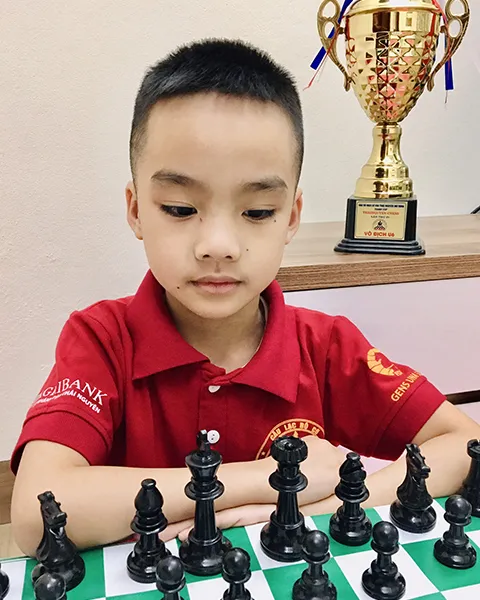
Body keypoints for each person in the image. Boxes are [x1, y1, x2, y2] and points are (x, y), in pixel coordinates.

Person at [10, 38, 480, 557]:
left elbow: (465, 444)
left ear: (292, 217)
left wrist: (341, 501)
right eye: (180, 208)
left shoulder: (324, 346)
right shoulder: (102, 339)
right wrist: (271, 478)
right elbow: (35, 514)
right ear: (136, 209)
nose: (219, 246)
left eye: (257, 212)